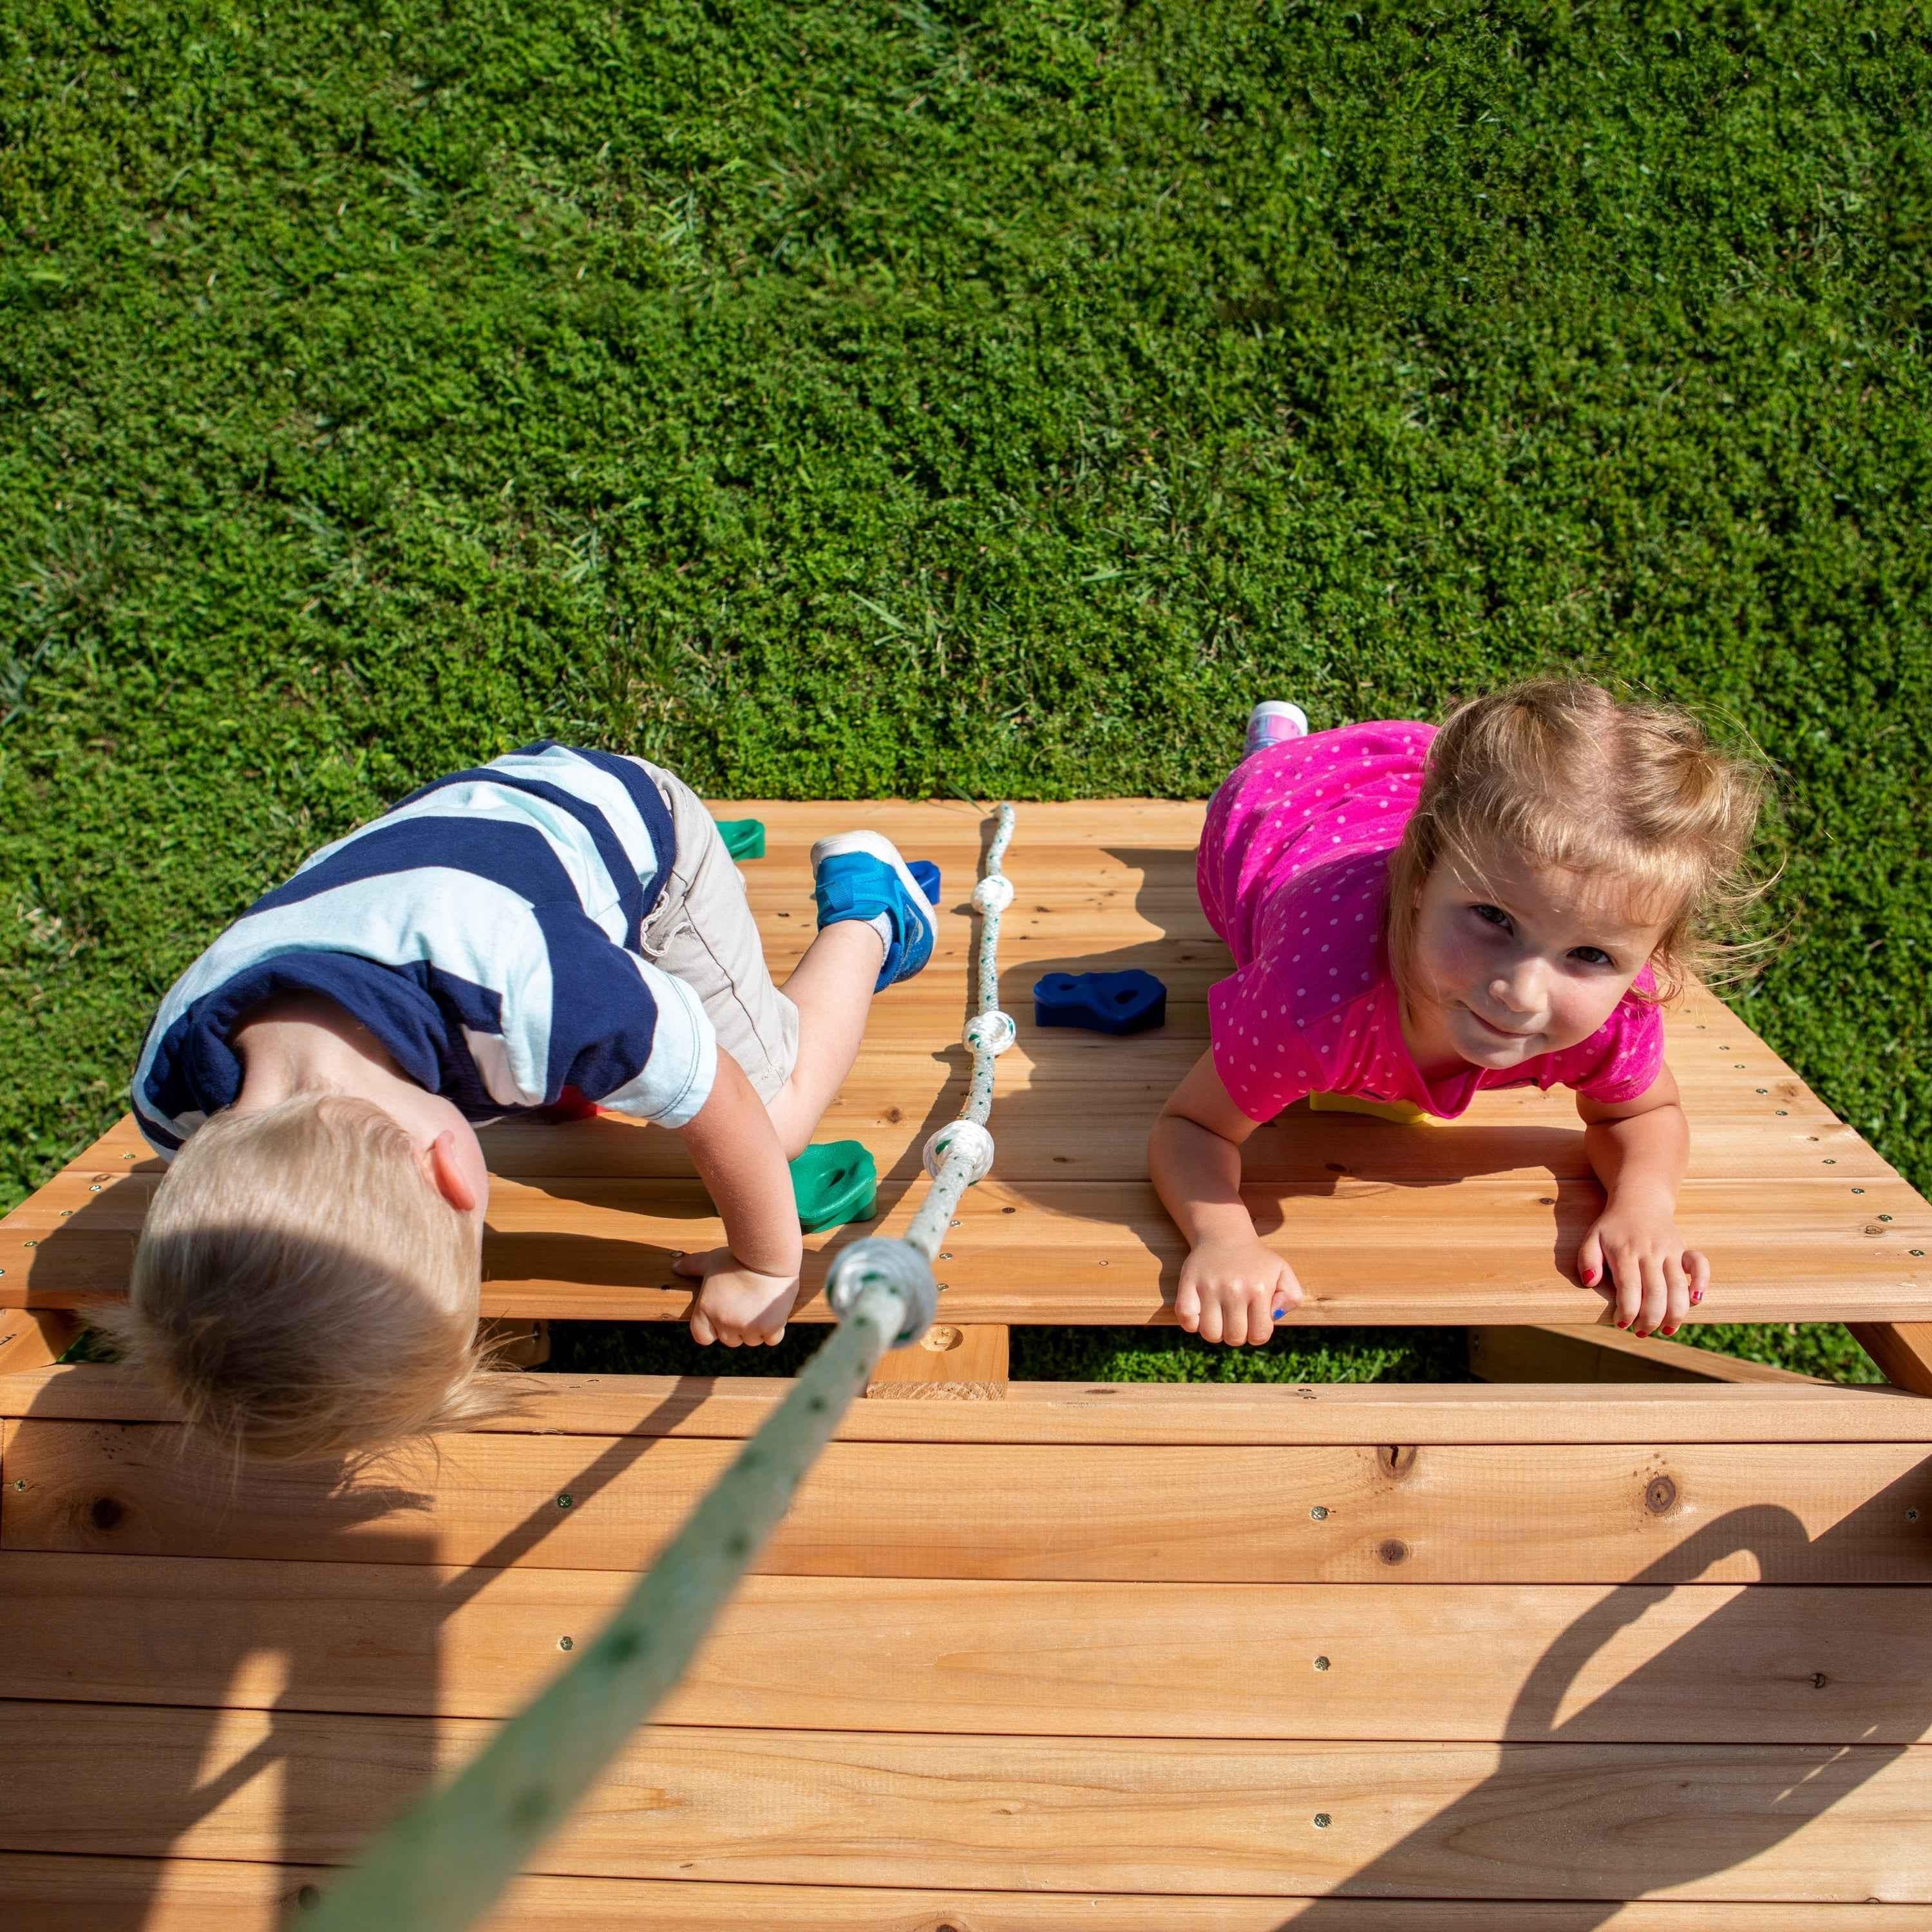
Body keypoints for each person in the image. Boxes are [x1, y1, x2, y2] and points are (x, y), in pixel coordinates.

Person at [112, 743, 937, 1459]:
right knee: (573, 1049)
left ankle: (871, 908)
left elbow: (718, 1094)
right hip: (463, 846)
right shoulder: (171, 1093)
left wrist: (765, 1262)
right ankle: (595, 916)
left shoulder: (539, 992)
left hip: (646, 845)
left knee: (777, 1112)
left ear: (456, 1172)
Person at [1150, 679, 1769, 1348]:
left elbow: (1645, 1112)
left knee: (1471, 802)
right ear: (1417, 878)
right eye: (1493, 919)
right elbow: (1191, 1126)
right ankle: (1272, 747)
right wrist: (1225, 1240)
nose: (1523, 993)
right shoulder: (1315, 998)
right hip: (1282, 811)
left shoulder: (1618, 1010)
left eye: (1590, 954)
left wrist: (1644, 1206)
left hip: (1430, 794)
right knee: (1253, 789)